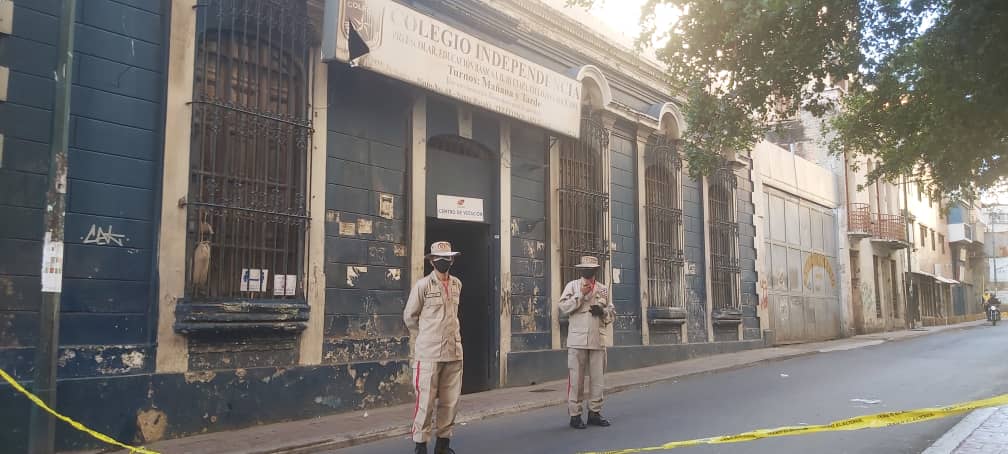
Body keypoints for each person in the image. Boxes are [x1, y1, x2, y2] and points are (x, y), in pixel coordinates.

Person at [403, 241, 463, 454]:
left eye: (447, 258)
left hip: (453, 351)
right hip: (428, 354)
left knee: (450, 401)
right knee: (425, 402)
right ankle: (421, 446)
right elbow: (410, 317)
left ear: (452, 260)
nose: (443, 262)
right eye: (438, 259)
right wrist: (427, 336)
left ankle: (443, 445)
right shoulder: (422, 286)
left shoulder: (457, 284)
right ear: (431, 261)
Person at [559, 256, 616, 429]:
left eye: (591, 269)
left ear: (595, 271)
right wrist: (580, 295)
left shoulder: (603, 289)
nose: (588, 272)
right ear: (580, 270)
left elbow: (612, 314)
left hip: (597, 340)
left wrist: (603, 312)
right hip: (577, 341)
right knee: (576, 380)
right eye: (585, 269)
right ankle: (575, 415)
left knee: (598, 380)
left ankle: (594, 413)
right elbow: (563, 307)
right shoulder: (572, 286)